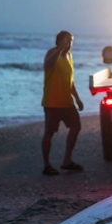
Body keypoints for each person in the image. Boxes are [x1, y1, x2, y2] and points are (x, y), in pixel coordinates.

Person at [41, 30, 84, 175]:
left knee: (76, 126)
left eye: (71, 40)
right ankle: (46, 165)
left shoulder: (69, 56)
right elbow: (48, 66)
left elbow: (70, 81)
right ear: (59, 41)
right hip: (52, 102)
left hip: (67, 102)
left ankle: (67, 160)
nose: (69, 43)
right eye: (67, 40)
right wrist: (59, 48)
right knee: (50, 132)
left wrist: (77, 98)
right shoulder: (52, 53)